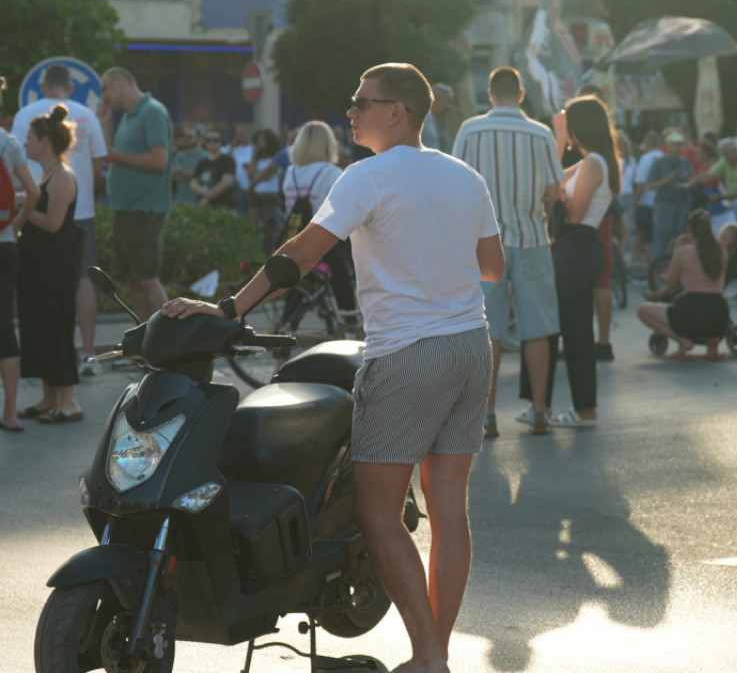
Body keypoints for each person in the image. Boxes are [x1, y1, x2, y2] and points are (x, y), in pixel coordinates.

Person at [164, 62, 502, 673]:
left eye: (361, 101)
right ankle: (435, 653)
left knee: (377, 512)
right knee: (449, 508)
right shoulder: (464, 176)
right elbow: (493, 267)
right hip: (471, 346)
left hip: (407, 353)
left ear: (396, 110)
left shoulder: (365, 177)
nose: (351, 111)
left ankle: (429, 658)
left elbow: (304, 251)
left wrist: (229, 307)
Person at [452, 66, 562, 437]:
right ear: (520, 94)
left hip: (484, 245)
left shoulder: (470, 130)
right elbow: (553, 193)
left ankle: (487, 415)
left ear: (490, 93)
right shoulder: (541, 133)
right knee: (538, 328)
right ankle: (540, 410)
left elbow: (456, 186)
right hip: (532, 239)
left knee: (489, 330)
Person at [521, 95, 618, 429]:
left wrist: (558, 196)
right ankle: (545, 405)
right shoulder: (595, 160)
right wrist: (560, 139)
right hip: (577, 247)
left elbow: (573, 212)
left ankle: (584, 409)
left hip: (578, 244)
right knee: (562, 324)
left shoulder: (594, 163)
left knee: (572, 328)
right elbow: (554, 178)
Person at [11, 63, 108, 376]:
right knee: (82, 281)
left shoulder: (26, 114)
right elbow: (97, 170)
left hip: (52, 216)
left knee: (53, 300)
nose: (27, 143)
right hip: (84, 213)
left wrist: (25, 205)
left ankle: (61, 387)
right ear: (70, 86)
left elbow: (13, 163)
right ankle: (89, 353)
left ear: (42, 86)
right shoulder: (89, 116)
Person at [18, 105, 83, 424]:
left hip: (54, 267)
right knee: (40, 327)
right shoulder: (47, 174)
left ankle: (69, 402)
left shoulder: (62, 176)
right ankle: (48, 397)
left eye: (29, 137)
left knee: (56, 329)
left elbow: (54, 223)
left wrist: (24, 205)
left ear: (45, 140)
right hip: (38, 266)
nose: (25, 142)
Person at [97, 67, 173, 322]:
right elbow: (112, 155)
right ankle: (147, 339)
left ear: (120, 82)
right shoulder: (130, 116)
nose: (104, 96)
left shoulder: (152, 112)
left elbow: (159, 160)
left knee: (147, 279)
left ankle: (169, 341)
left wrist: (114, 155)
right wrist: (105, 124)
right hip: (127, 209)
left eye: (104, 88)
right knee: (134, 279)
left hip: (144, 210)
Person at [281, 121, 355, 313]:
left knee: (298, 275)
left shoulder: (291, 172)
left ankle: (286, 321)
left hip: (295, 236)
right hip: (322, 236)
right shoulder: (332, 173)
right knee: (341, 275)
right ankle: (348, 317)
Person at [638, 209, 730, 360]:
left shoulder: (685, 252)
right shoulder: (722, 252)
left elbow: (670, 282)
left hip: (692, 311)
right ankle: (712, 346)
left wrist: (677, 248)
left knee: (643, 310)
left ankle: (683, 342)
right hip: (719, 313)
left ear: (689, 229)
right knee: (707, 314)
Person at [0, 112, 37, 432]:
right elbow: (33, 192)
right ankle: (10, 411)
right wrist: (16, 225)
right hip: (5, 245)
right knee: (4, 326)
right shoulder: (9, 142)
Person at [690, 138, 737, 224]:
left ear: (735, 151)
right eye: (723, 155)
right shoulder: (726, 160)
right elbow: (708, 175)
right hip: (731, 198)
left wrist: (721, 197)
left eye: (727, 154)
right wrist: (690, 183)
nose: (725, 158)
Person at [648, 131, 694, 259]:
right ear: (668, 145)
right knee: (661, 237)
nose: (677, 147)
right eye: (674, 144)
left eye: (679, 144)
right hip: (664, 204)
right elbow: (650, 185)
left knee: (681, 237)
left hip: (681, 204)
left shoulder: (685, 162)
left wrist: (687, 179)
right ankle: (656, 270)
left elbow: (693, 180)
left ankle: (678, 268)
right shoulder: (659, 162)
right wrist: (666, 180)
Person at [631, 130, 663, 268]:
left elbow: (641, 184)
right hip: (661, 202)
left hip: (646, 203)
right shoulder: (663, 157)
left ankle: (650, 272)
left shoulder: (646, 158)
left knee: (647, 239)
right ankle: (660, 270)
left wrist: (635, 202)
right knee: (660, 238)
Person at [246, 128, 283, 244]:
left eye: (262, 139)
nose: (259, 142)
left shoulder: (276, 157)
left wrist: (252, 185)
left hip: (270, 193)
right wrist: (253, 158)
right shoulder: (258, 159)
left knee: (270, 225)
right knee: (253, 223)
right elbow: (251, 175)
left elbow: (266, 175)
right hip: (257, 193)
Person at [190, 132, 237, 208]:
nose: (211, 142)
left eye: (215, 140)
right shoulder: (202, 162)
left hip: (222, 205)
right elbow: (194, 182)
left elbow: (227, 182)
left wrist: (207, 198)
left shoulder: (227, 160)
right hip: (202, 205)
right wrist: (204, 192)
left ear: (221, 142)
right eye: (208, 140)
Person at [170, 127, 206, 207]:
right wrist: (193, 175)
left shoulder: (206, 156)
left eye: (190, 136)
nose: (186, 139)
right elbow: (175, 176)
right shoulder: (179, 156)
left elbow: (202, 176)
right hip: (180, 201)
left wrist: (181, 171)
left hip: (198, 202)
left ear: (199, 138)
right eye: (185, 136)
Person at [419, 83, 454, 151]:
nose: (449, 107)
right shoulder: (422, 121)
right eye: (448, 101)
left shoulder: (435, 120)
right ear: (436, 99)